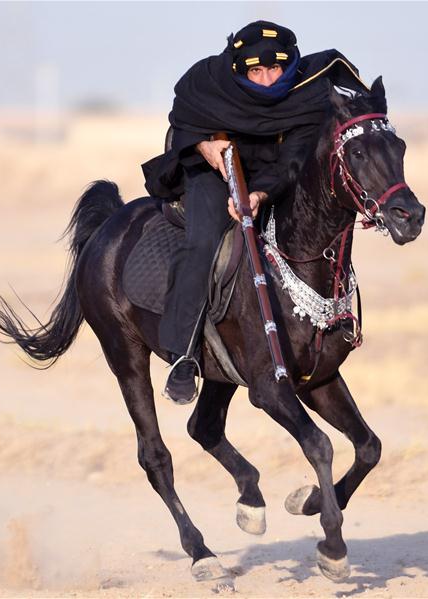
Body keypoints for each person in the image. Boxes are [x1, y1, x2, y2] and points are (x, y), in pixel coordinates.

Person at [142, 20, 367, 404]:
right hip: (213, 170)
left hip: (274, 175)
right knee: (204, 243)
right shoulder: (209, 81)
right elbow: (183, 121)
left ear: (289, 65)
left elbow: (295, 159)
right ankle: (183, 355)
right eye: (256, 71)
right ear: (240, 69)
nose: (266, 79)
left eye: (275, 69)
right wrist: (203, 147)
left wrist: (260, 194)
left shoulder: (306, 94)